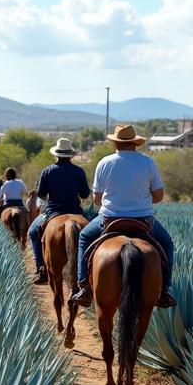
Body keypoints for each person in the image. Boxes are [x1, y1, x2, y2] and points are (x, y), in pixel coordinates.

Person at [70, 124, 176, 309]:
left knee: (85, 237)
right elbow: (158, 196)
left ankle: (84, 287)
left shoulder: (105, 162)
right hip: (143, 220)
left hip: (109, 219)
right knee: (167, 243)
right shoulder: (147, 162)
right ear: (135, 143)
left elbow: (96, 199)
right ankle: (165, 291)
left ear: (116, 144)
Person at [29, 138, 90, 285]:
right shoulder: (79, 171)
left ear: (56, 154)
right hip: (76, 211)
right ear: (70, 155)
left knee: (32, 232)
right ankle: (88, 272)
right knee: (92, 234)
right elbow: (85, 194)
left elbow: (41, 194)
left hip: (53, 212)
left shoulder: (47, 171)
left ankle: (41, 269)